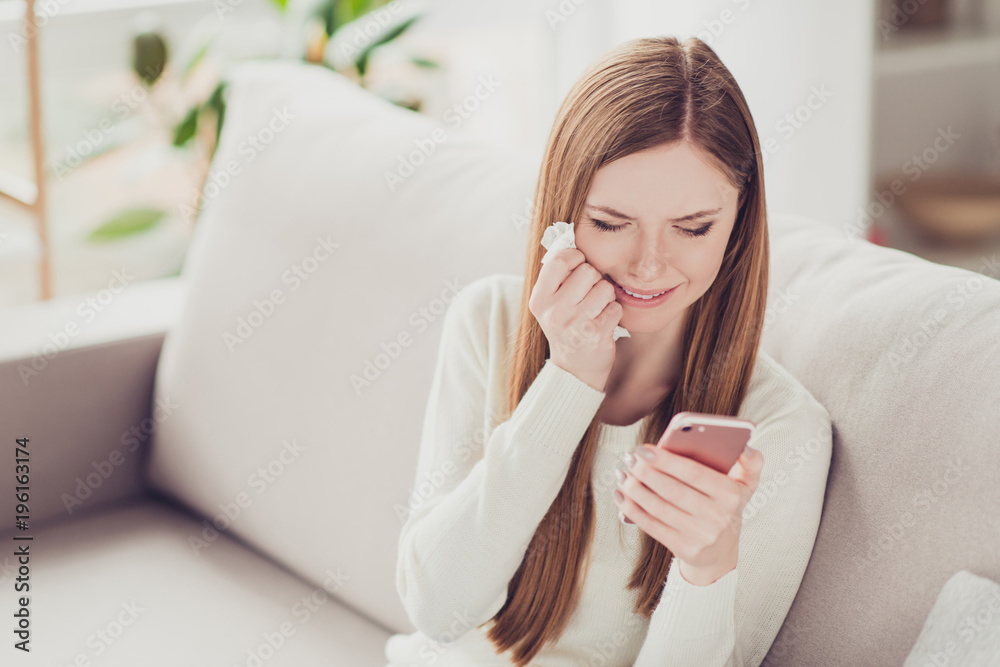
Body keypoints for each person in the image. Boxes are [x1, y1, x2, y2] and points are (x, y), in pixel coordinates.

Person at [385, 34, 832, 667]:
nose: (648, 265)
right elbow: (438, 609)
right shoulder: (487, 322)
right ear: (562, 215)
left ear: (738, 223)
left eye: (693, 227)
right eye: (610, 223)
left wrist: (706, 565)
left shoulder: (781, 431)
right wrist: (567, 380)